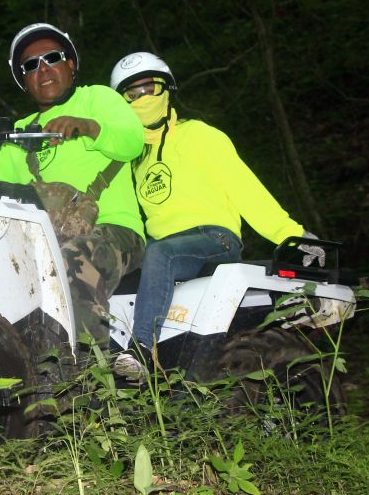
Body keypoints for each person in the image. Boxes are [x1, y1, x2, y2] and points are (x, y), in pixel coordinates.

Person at [108, 52, 325, 379]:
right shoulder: (133, 158)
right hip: (165, 248)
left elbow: (246, 189)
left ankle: (142, 348)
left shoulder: (201, 135)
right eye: (132, 94)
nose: (142, 99)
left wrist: (290, 235)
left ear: (167, 88)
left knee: (160, 253)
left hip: (214, 238)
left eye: (149, 88)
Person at [0, 23, 146, 346]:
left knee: (72, 262)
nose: (42, 68)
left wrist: (87, 126)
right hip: (42, 243)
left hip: (115, 231)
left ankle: (89, 384)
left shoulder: (97, 98)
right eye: (30, 65)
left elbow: (133, 142)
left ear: (70, 64)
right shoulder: (16, 132)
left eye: (52, 57)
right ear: (24, 81)